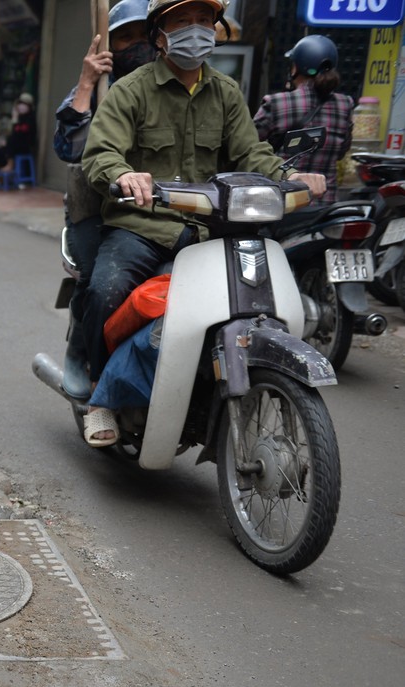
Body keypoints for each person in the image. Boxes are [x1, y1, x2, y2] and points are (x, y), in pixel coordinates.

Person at [80, 0, 327, 446]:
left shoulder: (227, 92)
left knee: (248, 301)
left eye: (203, 21)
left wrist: (290, 178)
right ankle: (101, 399)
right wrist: (124, 175)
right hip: (144, 226)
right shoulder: (131, 91)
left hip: (211, 231)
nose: (196, 30)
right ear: (160, 35)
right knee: (105, 290)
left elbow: (252, 154)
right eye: (182, 21)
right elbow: (101, 154)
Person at [52, 0, 157, 398]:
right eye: (124, 38)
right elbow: (68, 148)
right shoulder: (95, 90)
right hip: (94, 210)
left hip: (157, 211)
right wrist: (85, 84)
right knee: (100, 282)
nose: (135, 45)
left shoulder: (169, 88)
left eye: (142, 36)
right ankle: (81, 352)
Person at [253, 35, 353, 205]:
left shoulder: (276, 103)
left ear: (295, 68)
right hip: (323, 206)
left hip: (281, 203)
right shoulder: (345, 104)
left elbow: (248, 148)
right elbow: (342, 151)